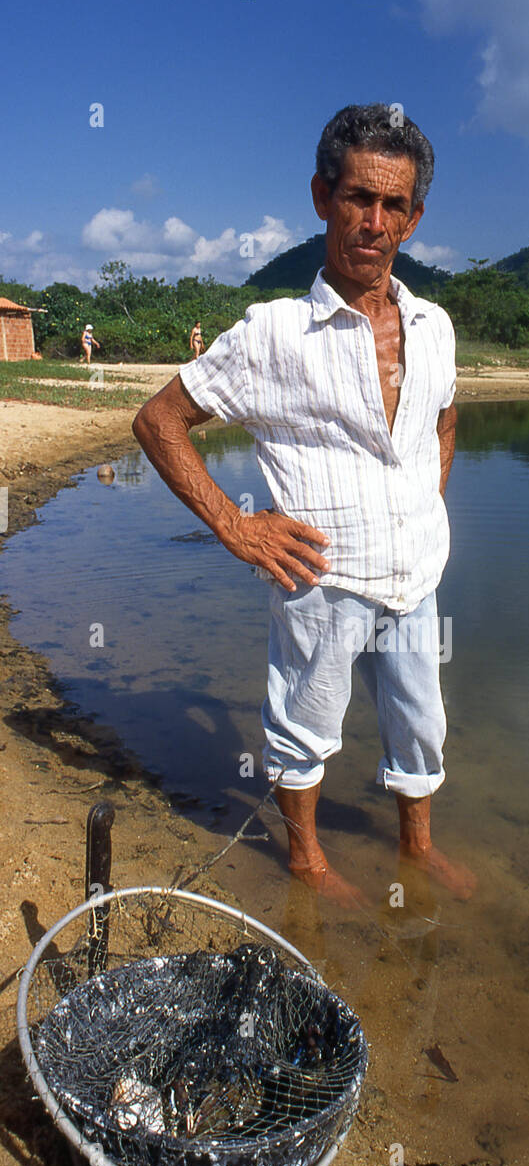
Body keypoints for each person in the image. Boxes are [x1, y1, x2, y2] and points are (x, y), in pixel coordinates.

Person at [132, 103, 475, 907]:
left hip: (417, 574)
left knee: (421, 724)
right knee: (304, 725)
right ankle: (307, 862)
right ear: (322, 197)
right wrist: (237, 527)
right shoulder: (272, 335)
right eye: (358, 197)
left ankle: (417, 851)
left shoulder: (434, 326)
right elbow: (159, 422)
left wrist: (426, 514)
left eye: (394, 205)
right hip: (321, 575)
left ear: (415, 218)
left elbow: (445, 421)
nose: (374, 221)